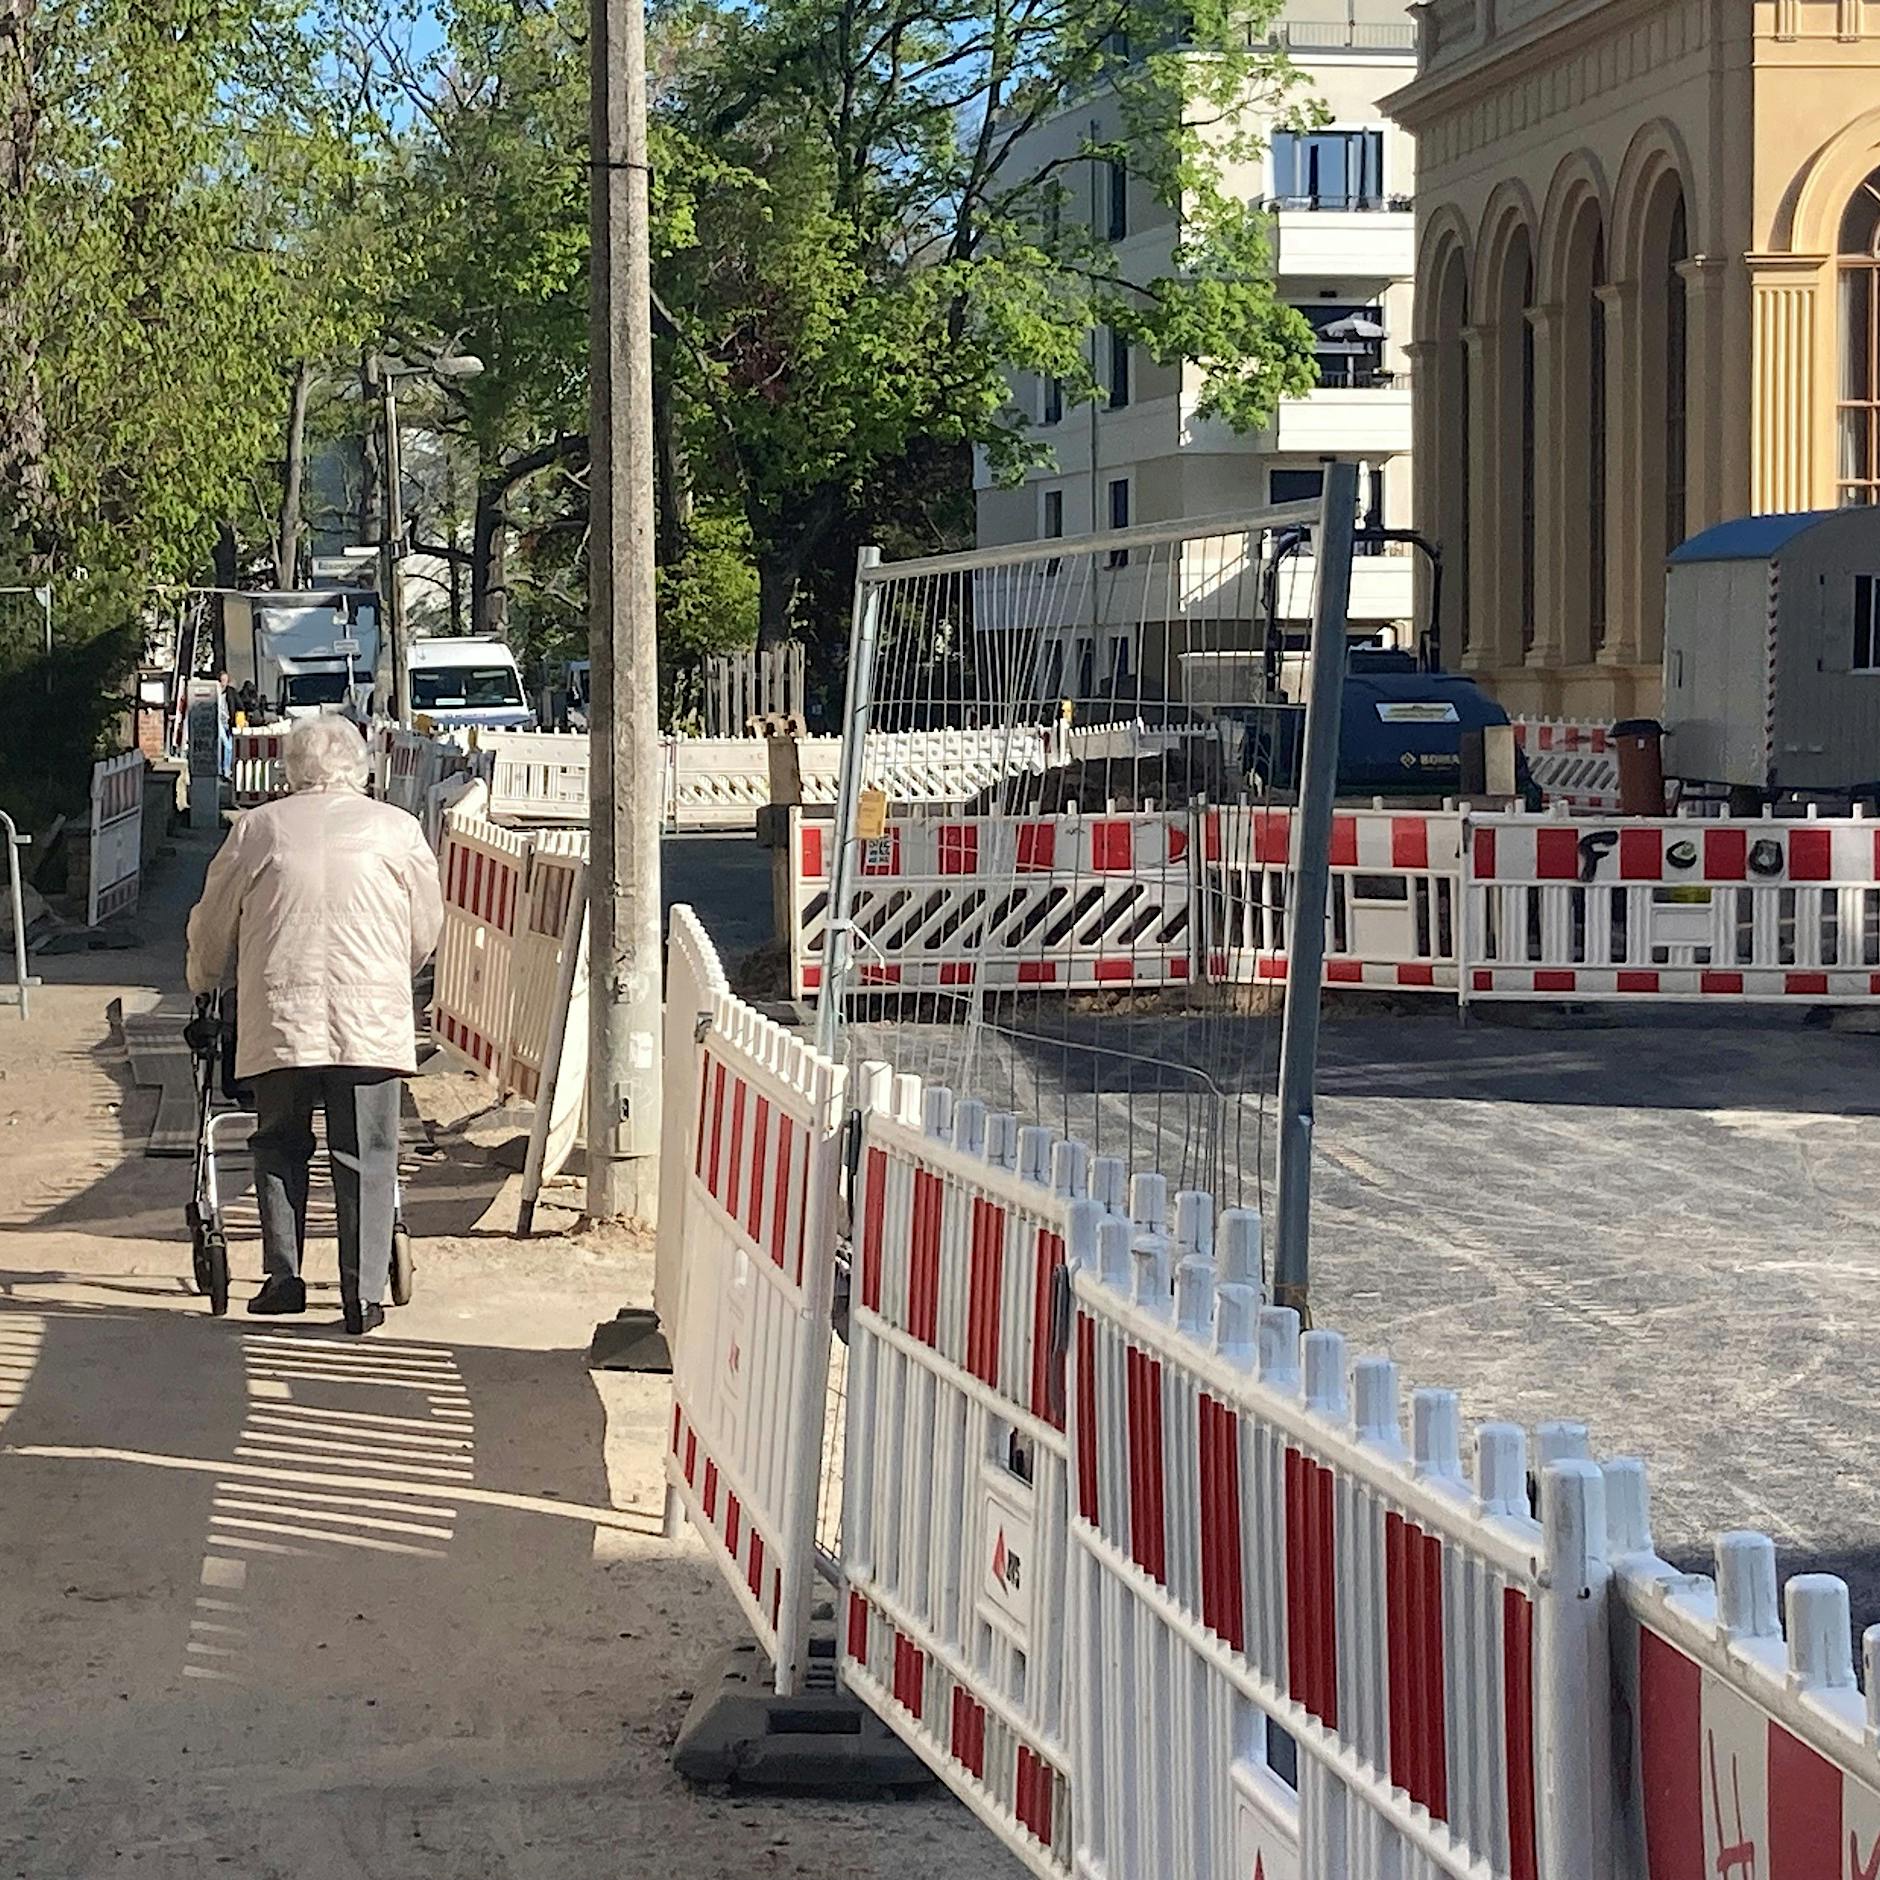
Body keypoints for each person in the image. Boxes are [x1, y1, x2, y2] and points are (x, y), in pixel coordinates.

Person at [185, 714, 444, 1334]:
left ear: (289, 769)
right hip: (371, 1021)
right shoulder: (398, 830)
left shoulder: (257, 830)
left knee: (278, 1142)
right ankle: (363, 1296)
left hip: (281, 1014)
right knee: (368, 1153)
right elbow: (425, 929)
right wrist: (392, 973)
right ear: (361, 767)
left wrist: (203, 979)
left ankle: (284, 1278)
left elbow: (214, 923)